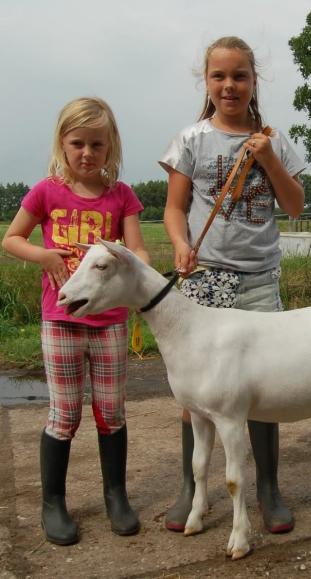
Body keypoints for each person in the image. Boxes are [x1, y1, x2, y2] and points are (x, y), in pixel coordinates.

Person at [159, 36, 305, 534]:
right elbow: (174, 208)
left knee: (264, 386)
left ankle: (268, 489)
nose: (229, 85)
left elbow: (295, 207)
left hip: (260, 280)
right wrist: (180, 244)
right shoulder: (192, 140)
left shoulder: (274, 139)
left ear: (253, 81)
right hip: (206, 279)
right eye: (219, 76)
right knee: (196, 394)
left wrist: (269, 160)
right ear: (207, 81)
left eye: (239, 76)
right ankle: (190, 488)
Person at [2, 97, 149, 545]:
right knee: (64, 413)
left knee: (111, 412)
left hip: (109, 322)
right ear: (63, 145)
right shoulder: (46, 191)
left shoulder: (121, 196)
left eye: (97, 145)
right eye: (78, 143)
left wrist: (137, 262)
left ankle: (116, 496)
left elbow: (139, 251)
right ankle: (53, 503)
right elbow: (12, 239)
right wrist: (44, 256)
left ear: (111, 147)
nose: (87, 153)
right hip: (62, 319)